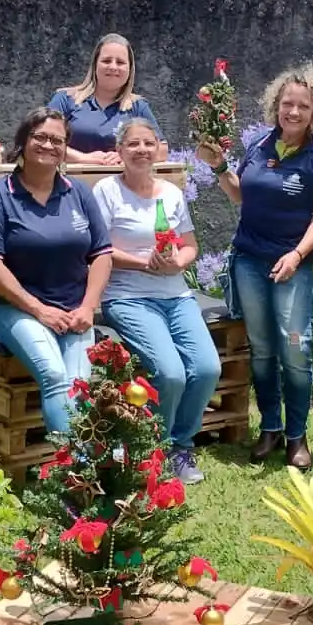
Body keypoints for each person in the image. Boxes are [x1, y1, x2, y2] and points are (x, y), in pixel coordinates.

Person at [196, 63, 313, 470]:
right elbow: (243, 197)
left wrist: (296, 256)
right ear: (275, 105)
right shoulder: (260, 145)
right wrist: (220, 166)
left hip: (291, 266)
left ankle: (297, 436)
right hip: (249, 261)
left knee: (295, 350)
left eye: (302, 106)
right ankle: (270, 429)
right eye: (286, 104)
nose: (292, 112)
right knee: (261, 350)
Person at [93, 118, 221, 485]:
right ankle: (156, 449)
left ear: (158, 149)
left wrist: (177, 262)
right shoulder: (107, 191)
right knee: (170, 373)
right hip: (128, 296)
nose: (142, 150)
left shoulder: (171, 194)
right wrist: (143, 263)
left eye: (148, 143)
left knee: (207, 367)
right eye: (133, 144)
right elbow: (99, 248)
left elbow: (190, 245)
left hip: (176, 295)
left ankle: (182, 444)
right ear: (119, 152)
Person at [0, 108, 113, 437]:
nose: (48, 145)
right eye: (40, 137)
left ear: (65, 148)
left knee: (79, 384)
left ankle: (80, 472)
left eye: (57, 140)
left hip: (75, 312)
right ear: (22, 141)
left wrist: (88, 307)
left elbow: (103, 255)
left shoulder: (78, 192)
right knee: (53, 374)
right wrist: (39, 310)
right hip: (16, 310)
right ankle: (76, 471)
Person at [47, 33, 168, 165]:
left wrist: (127, 156)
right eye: (106, 61)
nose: (113, 67)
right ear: (95, 65)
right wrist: (84, 158)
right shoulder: (65, 99)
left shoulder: (138, 106)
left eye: (120, 62)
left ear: (130, 69)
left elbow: (162, 149)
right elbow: (43, 141)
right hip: (70, 182)